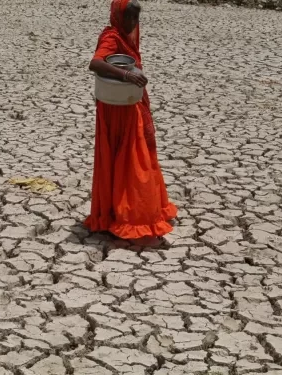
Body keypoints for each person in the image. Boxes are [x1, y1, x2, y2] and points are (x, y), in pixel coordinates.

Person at [84, 0, 178, 245]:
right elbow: (95, 63)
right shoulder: (112, 37)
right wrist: (126, 74)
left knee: (135, 155)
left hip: (128, 103)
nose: (133, 23)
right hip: (116, 109)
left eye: (136, 18)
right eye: (129, 18)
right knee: (130, 157)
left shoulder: (128, 36)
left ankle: (129, 211)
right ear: (118, 16)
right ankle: (129, 217)